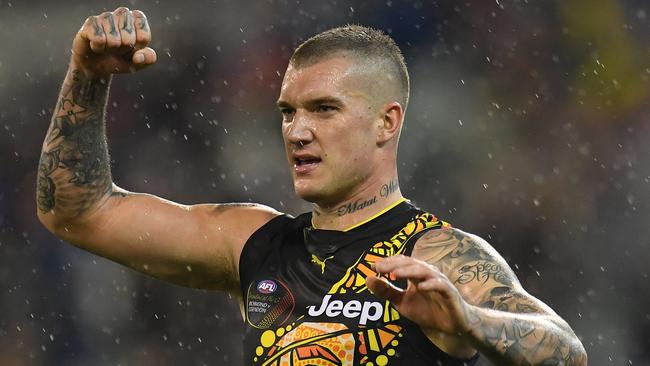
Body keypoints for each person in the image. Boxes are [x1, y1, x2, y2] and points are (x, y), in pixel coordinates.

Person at [36, 7, 587, 365]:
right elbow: (77, 212)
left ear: (386, 122)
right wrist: (88, 77)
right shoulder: (254, 243)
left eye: (324, 109)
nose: (298, 131)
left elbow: (566, 353)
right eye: (287, 112)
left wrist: (469, 321)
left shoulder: (435, 254)